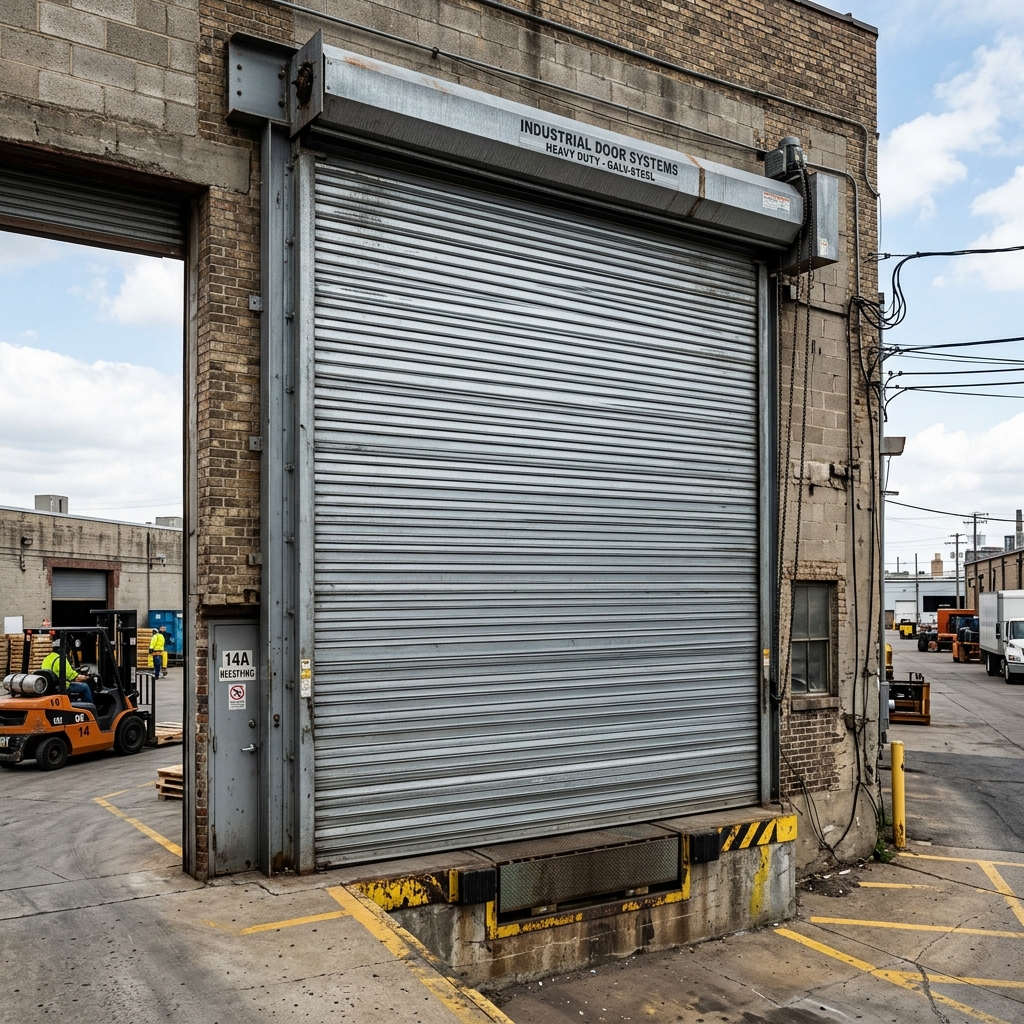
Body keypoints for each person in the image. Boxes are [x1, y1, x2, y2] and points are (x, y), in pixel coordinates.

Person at [42, 640, 94, 705]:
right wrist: (87, 677)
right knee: (85, 687)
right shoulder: (61, 659)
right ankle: (91, 708)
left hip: (50, 687)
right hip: (62, 687)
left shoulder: (46, 659)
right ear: (59, 649)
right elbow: (72, 676)